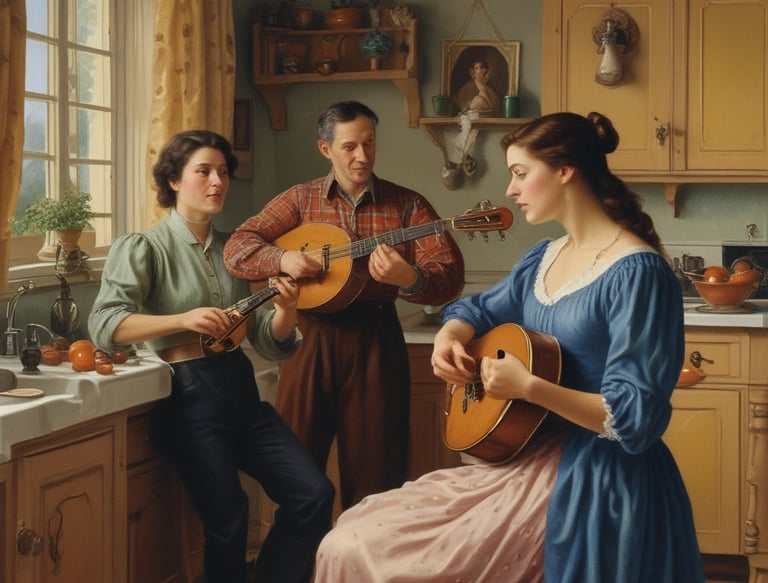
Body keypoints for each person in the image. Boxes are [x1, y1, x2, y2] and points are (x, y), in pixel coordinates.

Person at [314, 112, 705, 582]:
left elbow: (634, 419)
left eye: (520, 173)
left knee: (383, 555)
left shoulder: (639, 274)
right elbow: (477, 310)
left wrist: (529, 387)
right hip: (529, 457)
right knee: (349, 540)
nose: (510, 190)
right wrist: (450, 336)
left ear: (565, 171)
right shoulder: (544, 257)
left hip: (599, 479)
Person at [88, 130, 334, 583]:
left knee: (313, 493)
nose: (217, 182)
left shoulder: (237, 251)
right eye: (203, 171)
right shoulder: (144, 247)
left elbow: (269, 342)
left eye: (222, 172)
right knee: (229, 518)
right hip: (185, 395)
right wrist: (183, 319)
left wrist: (286, 310)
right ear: (174, 180)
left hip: (240, 387)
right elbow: (105, 324)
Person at [223, 101, 465, 510]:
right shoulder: (300, 200)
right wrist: (283, 258)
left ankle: (367, 551)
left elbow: (450, 277)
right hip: (307, 338)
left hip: (376, 339)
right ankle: (299, 553)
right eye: (350, 146)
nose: (362, 156)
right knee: (296, 463)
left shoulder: (407, 205)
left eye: (369, 143)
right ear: (326, 149)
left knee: (378, 468)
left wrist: (410, 278)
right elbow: (237, 248)